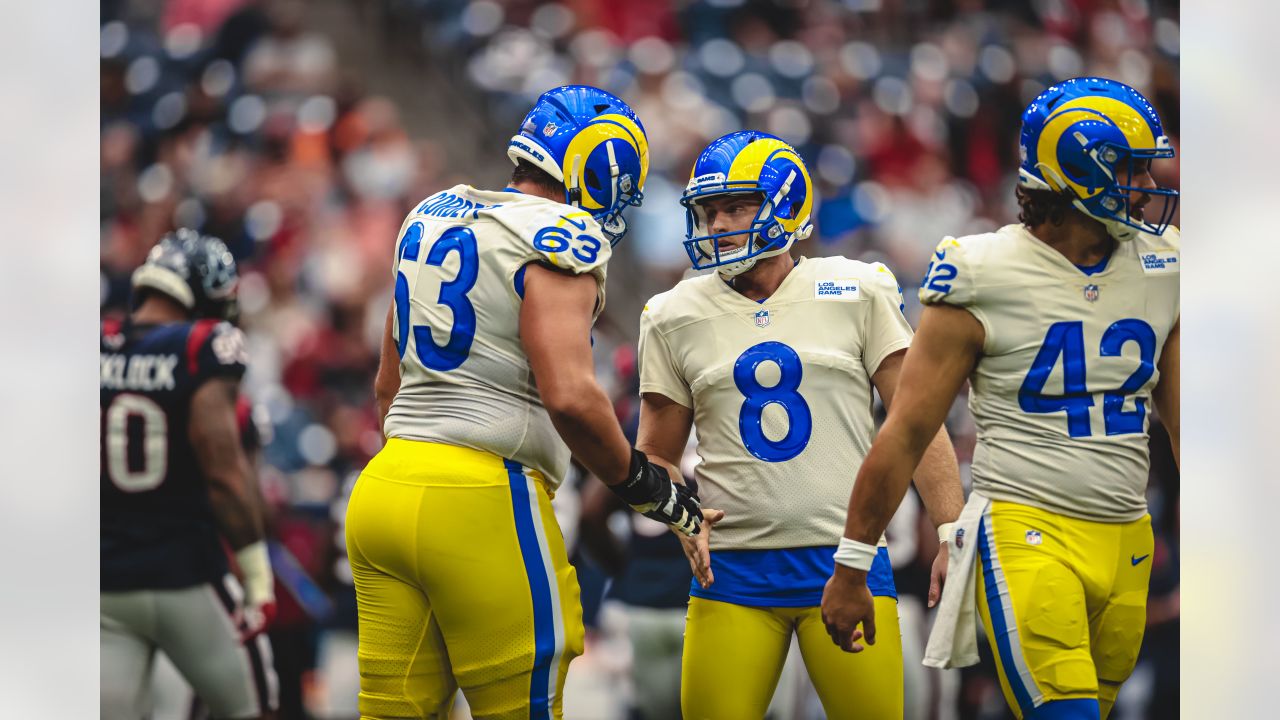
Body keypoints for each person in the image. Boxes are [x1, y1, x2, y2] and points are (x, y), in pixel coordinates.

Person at [820, 77, 1180, 720]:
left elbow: (1186, 424)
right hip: (1025, 527)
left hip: (1129, 538)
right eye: (1131, 168)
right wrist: (852, 563)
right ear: (1080, 171)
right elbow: (906, 430)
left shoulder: (1165, 263)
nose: (1150, 186)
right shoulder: (981, 269)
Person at [345, 85, 704, 720]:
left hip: (385, 489)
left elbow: (386, 383)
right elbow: (570, 398)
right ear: (598, 165)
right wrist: (652, 490)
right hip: (485, 493)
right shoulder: (561, 234)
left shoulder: (433, 212)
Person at [636, 130, 964, 719]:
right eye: (709, 211)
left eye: (735, 206)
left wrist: (949, 530)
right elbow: (657, 454)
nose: (717, 224)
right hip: (731, 571)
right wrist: (675, 515)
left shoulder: (857, 288)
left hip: (849, 561)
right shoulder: (672, 313)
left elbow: (917, 421)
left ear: (785, 205)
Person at [101, 229, 279, 720]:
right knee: (255, 707)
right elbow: (224, 472)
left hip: (104, 582)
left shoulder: (96, 344)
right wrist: (259, 577)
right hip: (187, 576)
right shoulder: (204, 344)